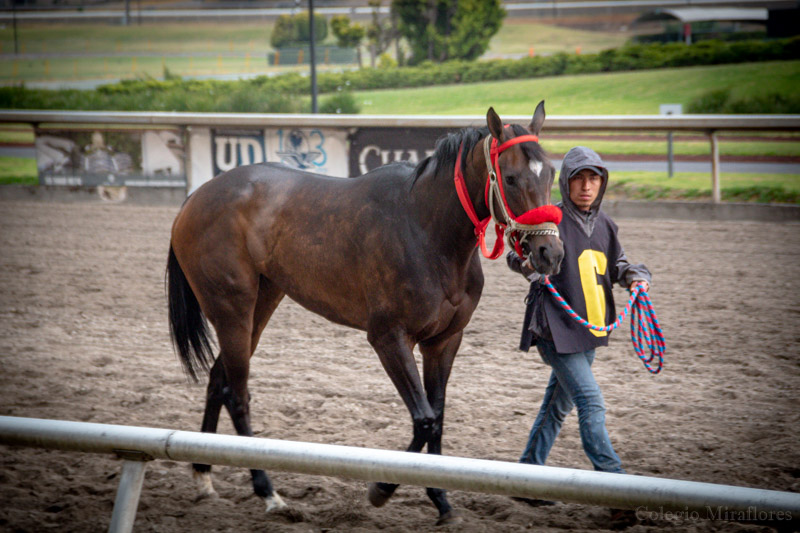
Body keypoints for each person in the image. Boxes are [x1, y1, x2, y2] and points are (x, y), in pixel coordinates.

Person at [507, 146, 652, 505]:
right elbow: (516, 254)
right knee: (591, 402)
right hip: (554, 328)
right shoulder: (550, 220)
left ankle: (527, 479)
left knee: (557, 406)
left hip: (589, 330)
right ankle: (616, 490)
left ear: (602, 183)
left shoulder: (606, 225)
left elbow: (618, 264)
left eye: (594, 178)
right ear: (567, 183)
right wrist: (530, 268)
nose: (587, 186)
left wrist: (636, 277)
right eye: (579, 178)